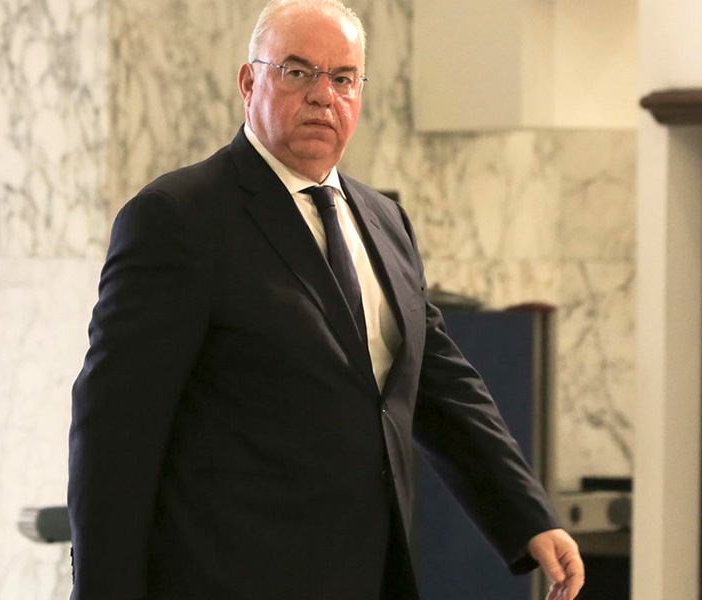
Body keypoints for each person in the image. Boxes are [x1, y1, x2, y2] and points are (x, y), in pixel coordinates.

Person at [67, 0, 585, 598]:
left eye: (343, 78)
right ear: (249, 82)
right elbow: (114, 431)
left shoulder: (385, 221)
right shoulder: (179, 217)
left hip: (368, 574)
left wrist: (527, 516)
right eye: (297, 72)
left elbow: (438, 384)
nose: (322, 96)